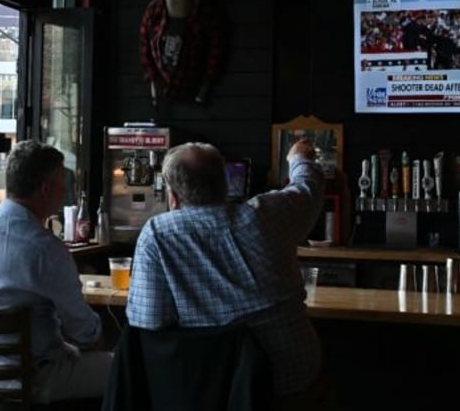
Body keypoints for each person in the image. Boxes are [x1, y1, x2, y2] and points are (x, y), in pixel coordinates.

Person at [125, 139, 327, 405]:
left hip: (211, 386)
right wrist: (298, 158)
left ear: (173, 197)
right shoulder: (268, 213)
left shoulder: (157, 234)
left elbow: (150, 322)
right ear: (224, 184)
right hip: (289, 377)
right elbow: (307, 187)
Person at [0, 140, 112, 403]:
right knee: (127, 370)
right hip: (35, 380)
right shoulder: (46, 250)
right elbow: (84, 333)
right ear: (46, 189)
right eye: (63, 182)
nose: (65, 190)